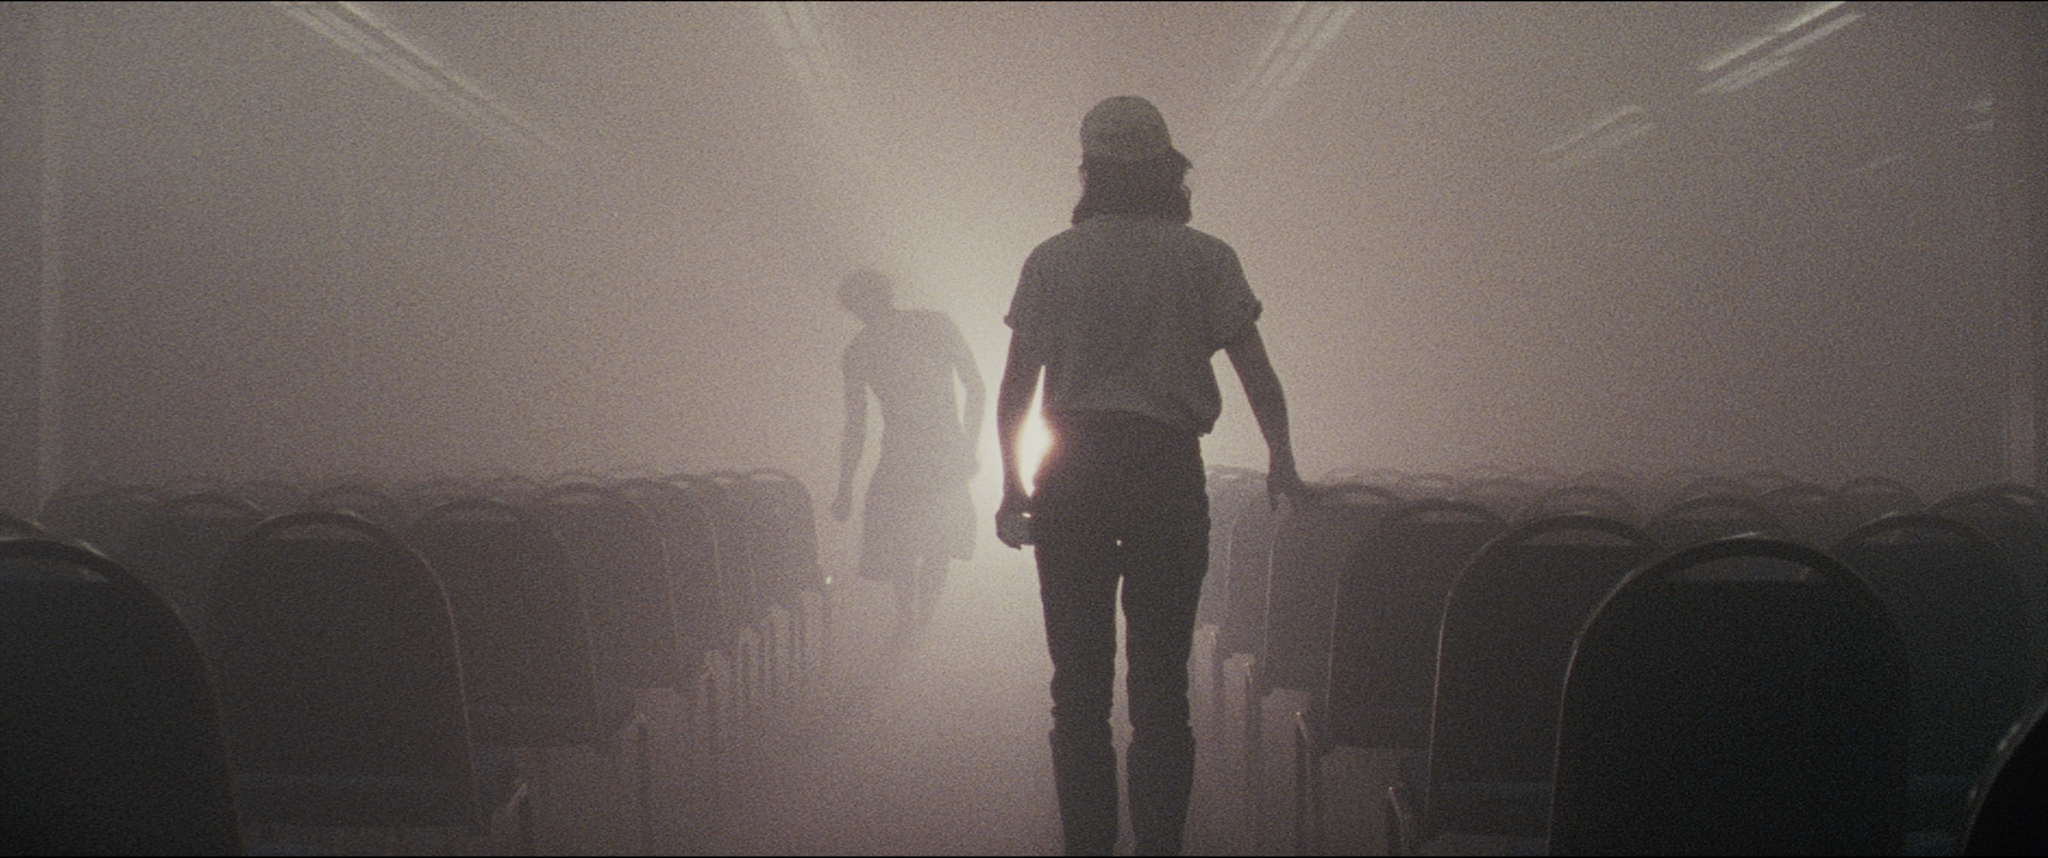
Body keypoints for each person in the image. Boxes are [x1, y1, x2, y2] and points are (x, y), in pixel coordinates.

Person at [994, 95, 1307, 856]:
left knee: (1078, 691)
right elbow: (1256, 374)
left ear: (1089, 170)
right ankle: (1159, 846)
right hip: (1165, 468)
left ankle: (1088, 847)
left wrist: (1012, 485)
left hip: (1072, 469)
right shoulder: (1205, 257)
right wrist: (1282, 458)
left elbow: (1018, 388)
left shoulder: (1052, 259)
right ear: (1169, 169)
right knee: (1163, 688)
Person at [831, 268, 985, 642]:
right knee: (938, 539)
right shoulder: (933, 325)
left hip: (905, 453)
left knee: (909, 539)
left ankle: (910, 619)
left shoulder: (860, 349)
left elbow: (857, 427)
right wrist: (967, 445)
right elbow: (975, 388)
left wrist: (846, 486)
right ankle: (917, 619)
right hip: (940, 448)